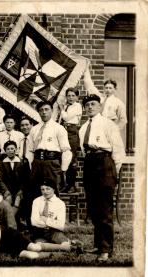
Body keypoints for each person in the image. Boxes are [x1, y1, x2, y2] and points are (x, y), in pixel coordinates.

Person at [79, 94, 125, 261]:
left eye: (93, 104)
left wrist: (113, 172)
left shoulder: (108, 124)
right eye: (87, 105)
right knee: (94, 208)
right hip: (90, 163)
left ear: (99, 106)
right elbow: (84, 151)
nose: (90, 107)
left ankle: (106, 249)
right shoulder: (83, 127)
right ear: (84, 109)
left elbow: (118, 150)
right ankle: (98, 245)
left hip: (104, 163)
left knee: (105, 209)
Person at [25, 101, 72, 228]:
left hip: (52, 163)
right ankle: (36, 226)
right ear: (38, 112)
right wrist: (31, 165)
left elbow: (66, 150)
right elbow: (29, 150)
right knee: (35, 192)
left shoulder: (58, 128)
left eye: (46, 109)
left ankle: (55, 226)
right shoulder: (34, 129)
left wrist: (63, 169)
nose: (44, 112)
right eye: (41, 110)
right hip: (37, 164)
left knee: (53, 192)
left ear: (52, 111)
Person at [31, 178, 83, 254]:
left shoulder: (60, 203)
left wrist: (46, 220)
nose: (45, 192)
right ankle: (71, 245)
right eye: (42, 189)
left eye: (48, 189)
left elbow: (61, 225)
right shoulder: (36, 201)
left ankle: (65, 244)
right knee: (38, 246)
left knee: (62, 242)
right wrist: (53, 222)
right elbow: (34, 222)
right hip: (40, 232)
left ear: (54, 189)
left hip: (54, 232)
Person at [57, 88, 82, 192]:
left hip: (72, 131)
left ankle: (71, 185)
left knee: (71, 158)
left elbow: (66, 118)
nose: (71, 98)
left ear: (77, 97)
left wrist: (61, 109)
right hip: (63, 130)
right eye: (69, 96)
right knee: (62, 157)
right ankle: (63, 183)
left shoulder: (77, 106)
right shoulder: (67, 106)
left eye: (73, 95)